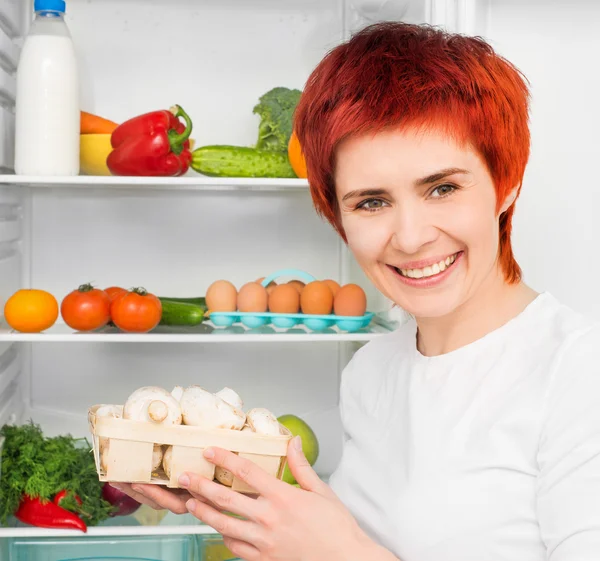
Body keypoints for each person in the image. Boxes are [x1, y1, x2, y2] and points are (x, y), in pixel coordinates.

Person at [111, 22, 600, 561]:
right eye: (371, 202)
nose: (410, 237)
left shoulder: (576, 373)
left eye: (442, 188)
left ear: (506, 183)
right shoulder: (371, 370)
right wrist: (221, 486)